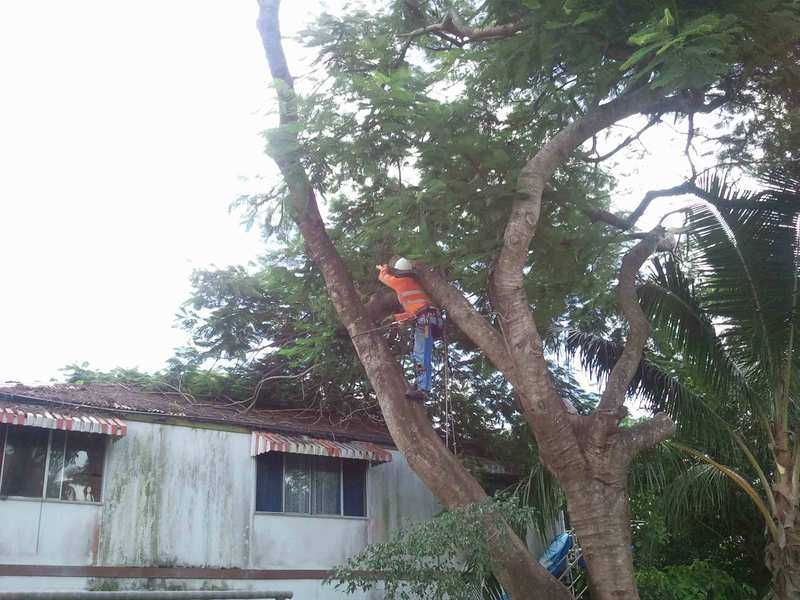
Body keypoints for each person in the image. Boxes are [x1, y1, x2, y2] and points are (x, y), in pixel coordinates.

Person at [377, 257, 442, 401]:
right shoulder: (411, 284)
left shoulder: (402, 282)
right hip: (425, 318)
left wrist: (384, 269)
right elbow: (414, 312)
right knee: (418, 352)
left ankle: (423, 389)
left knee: (421, 353)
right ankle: (421, 384)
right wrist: (396, 317)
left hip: (425, 320)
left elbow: (383, 278)